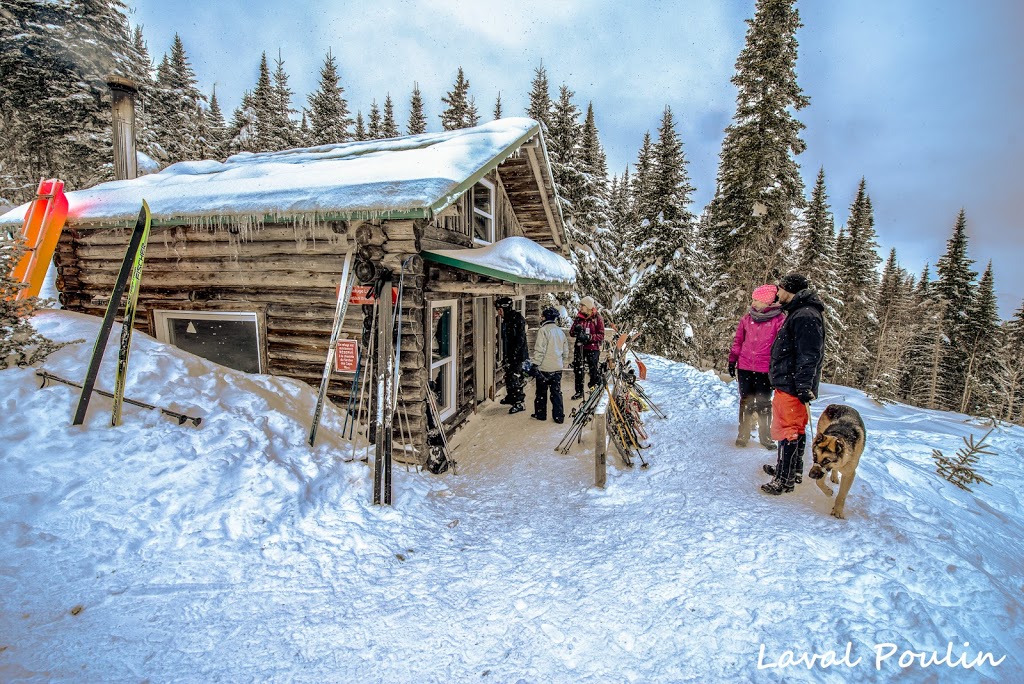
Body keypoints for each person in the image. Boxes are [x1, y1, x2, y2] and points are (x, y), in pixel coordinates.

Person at [761, 273, 826, 495]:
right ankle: (791, 470)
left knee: (787, 431)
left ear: (789, 290)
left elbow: (809, 355)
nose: (777, 293)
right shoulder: (801, 312)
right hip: (791, 384)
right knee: (794, 429)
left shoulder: (805, 315)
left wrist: (802, 386)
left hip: (792, 386)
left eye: (779, 289)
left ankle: (784, 480)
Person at [728, 284, 786, 449]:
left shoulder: (779, 320)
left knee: (764, 403)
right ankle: (743, 434)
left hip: (765, 369)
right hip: (745, 366)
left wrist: (778, 368)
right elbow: (738, 341)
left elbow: (781, 347)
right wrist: (733, 360)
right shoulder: (747, 318)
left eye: (756, 300)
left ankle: (765, 437)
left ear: (767, 301)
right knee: (745, 401)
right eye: (753, 299)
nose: (753, 303)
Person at [531, 306, 571, 423]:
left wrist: (535, 364)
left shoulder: (543, 331)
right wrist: (563, 362)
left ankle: (541, 414)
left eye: (542, 316)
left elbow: (540, 350)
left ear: (545, 318)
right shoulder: (560, 332)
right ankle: (559, 416)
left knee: (541, 392)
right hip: (557, 368)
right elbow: (565, 349)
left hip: (544, 367)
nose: (540, 318)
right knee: (556, 392)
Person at [496, 296, 528, 414]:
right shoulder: (507, 320)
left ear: (506, 308)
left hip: (518, 355)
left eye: (500, 310)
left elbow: (520, 339)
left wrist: (514, 354)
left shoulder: (517, 319)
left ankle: (519, 402)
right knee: (509, 376)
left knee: (515, 377)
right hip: (509, 354)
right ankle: (511, 397)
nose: (499, 313)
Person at [569, 296, 605, 400]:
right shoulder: (579, 318)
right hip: (580, 347)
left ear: (588, 306)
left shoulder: (597, 318)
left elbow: (601, 335)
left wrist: (589, 337)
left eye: (582, 305)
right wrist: (577, 331)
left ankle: (593, 387)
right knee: (578, 369)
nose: (580, 307)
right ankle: (579, 391)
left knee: (593, 369)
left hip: (592, 348)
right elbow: (571, 332)